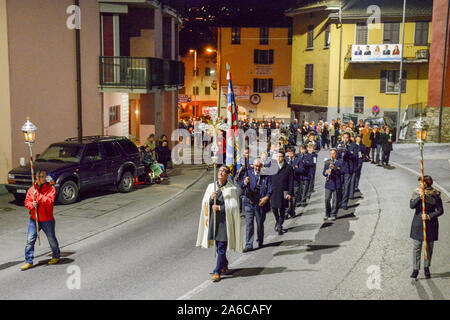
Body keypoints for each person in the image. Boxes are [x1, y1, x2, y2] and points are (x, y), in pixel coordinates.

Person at [196, 165, 243, 282]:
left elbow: (235, 206)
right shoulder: (211, 186)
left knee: (222, 246)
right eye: (220, 170)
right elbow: (205, 203)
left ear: (227, 175)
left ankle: (217, 271)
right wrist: (211, 199)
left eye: (224, 171)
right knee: (218, 247)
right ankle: (224, 264)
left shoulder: (231, 189)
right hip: (214, 220)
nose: (221, 173)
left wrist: (221, 208)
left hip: (224, 222)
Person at [21, 170, 60, 270]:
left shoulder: (51, 188)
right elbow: (27, 203)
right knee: (30, 240)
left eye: (44, 176)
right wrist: (32, 205)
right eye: (41, 176)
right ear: (36, 178)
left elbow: (49, 202)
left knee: (52, 239)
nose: (44, 178)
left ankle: (56, 256)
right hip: (34, 219)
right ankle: (28, 261)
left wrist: (38, 196)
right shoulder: (31, 189)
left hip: (47, 219)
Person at [409, 176, 444, 279]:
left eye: (421, 183)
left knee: (428, 248)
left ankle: (426, 267)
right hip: (418, 223)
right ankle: (415, 269)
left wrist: (429, 216)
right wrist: (420, 197)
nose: (419, 184)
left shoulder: (435, 194)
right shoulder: (416, 192)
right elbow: (411, 205)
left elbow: (440, 210)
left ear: (426, 183)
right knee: (417, 247)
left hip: (431, 224)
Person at [239, 159, 272, 252]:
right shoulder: (248, 173)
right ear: (253, 165)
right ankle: (249, 244)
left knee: (260, 224)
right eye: (256, 166)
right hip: (249, 203)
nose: (257, 168)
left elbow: (270, 188)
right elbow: (240, 185)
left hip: (260, 203)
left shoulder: (266, 176)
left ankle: (260, 241)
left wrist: (266, 197)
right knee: (249, 224)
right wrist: (245, 182)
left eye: (259, 166)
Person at [270, 151, 294, 235]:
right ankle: (278, 220)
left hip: (284, 191)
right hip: (274, 191)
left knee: (282, 209)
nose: (278, 158)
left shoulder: (288, 167)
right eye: (277, 156)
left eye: (280, 156)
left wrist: (290, 193)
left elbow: (291, 181)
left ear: (283, 157)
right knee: (274, 208)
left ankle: (279, 225)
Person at [337, 132, 358, 210]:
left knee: (346, 186)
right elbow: (337, 155)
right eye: (344, 137)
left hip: (348, 168)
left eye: (346, 138)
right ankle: (339, 201)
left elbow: (356, 156)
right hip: (340, 168)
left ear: (349, 138)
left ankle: (344, 203)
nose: (345, 139)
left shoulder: (354, 145)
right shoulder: (340, 144)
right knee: (339, 186)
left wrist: (348, 152)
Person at [323, 149, 343, 221]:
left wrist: (334, 169)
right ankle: (327, 213)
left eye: (333, 153)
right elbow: (323, 173)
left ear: (336, 154)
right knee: (327, 199)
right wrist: (326, 172)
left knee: (335, 200)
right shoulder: (327, 162)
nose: (332, 155)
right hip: (329, 183)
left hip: (336, 183)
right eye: (331, 153)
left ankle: (333, 214)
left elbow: (342, 171)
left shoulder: (339, 161)